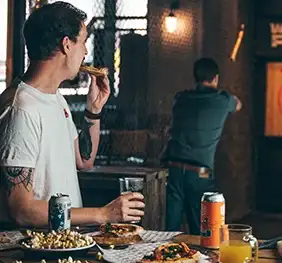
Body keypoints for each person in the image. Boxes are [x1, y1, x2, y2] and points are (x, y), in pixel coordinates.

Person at [0, 1, 144, 227]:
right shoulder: (22, 108)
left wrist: (93, 111)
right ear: (67, 45)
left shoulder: (57, 99)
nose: (86, 51)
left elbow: (84, 160)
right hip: (36, 253)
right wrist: (103, 214)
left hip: (66, 243)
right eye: (84, 41)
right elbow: (22, 210)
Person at [162, 58, 242, 234]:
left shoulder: (181, 98)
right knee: (202, 232)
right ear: (216, 78)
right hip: (200, 172)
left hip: (173, 170)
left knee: (169, 232)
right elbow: (238, 104)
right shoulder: (223, 100)